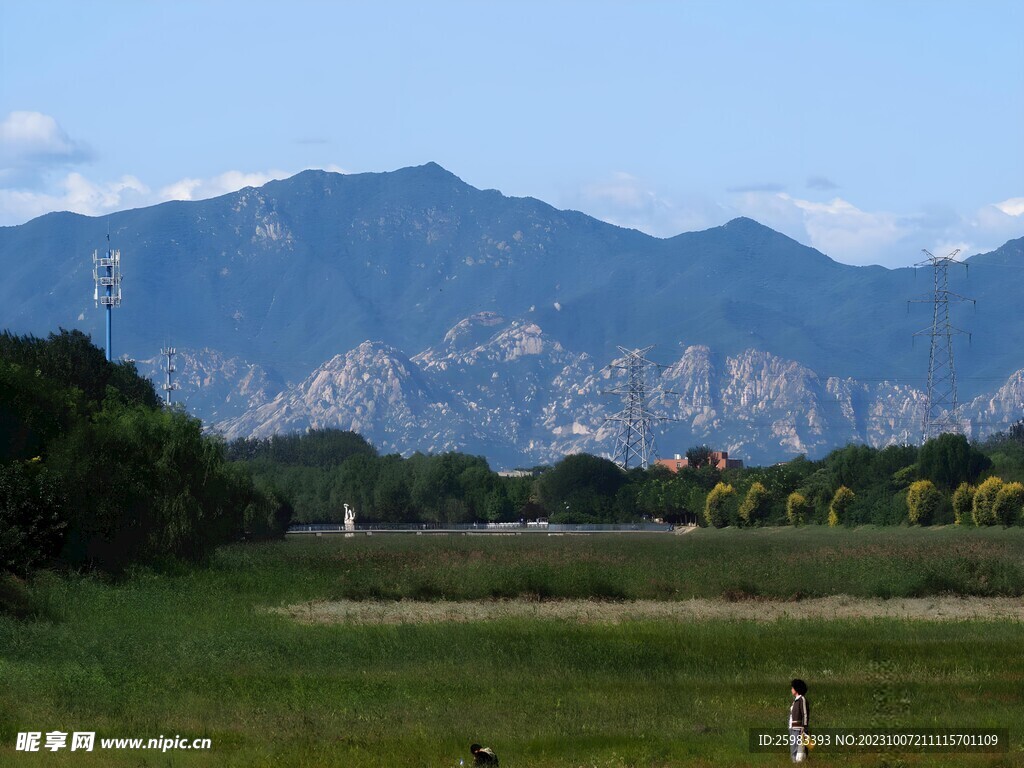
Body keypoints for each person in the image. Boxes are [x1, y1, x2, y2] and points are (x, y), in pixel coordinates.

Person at [789, 678, 809, 762]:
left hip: (799, 729)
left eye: (792, 687)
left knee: (797, 750)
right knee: (793, 749)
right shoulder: (795, 701)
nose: (791, 689)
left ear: (796, 689)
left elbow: (805, 714)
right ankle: (795, 763)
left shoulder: (802, 699)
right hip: (793, 728)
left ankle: (797, 764)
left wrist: (804, 727)